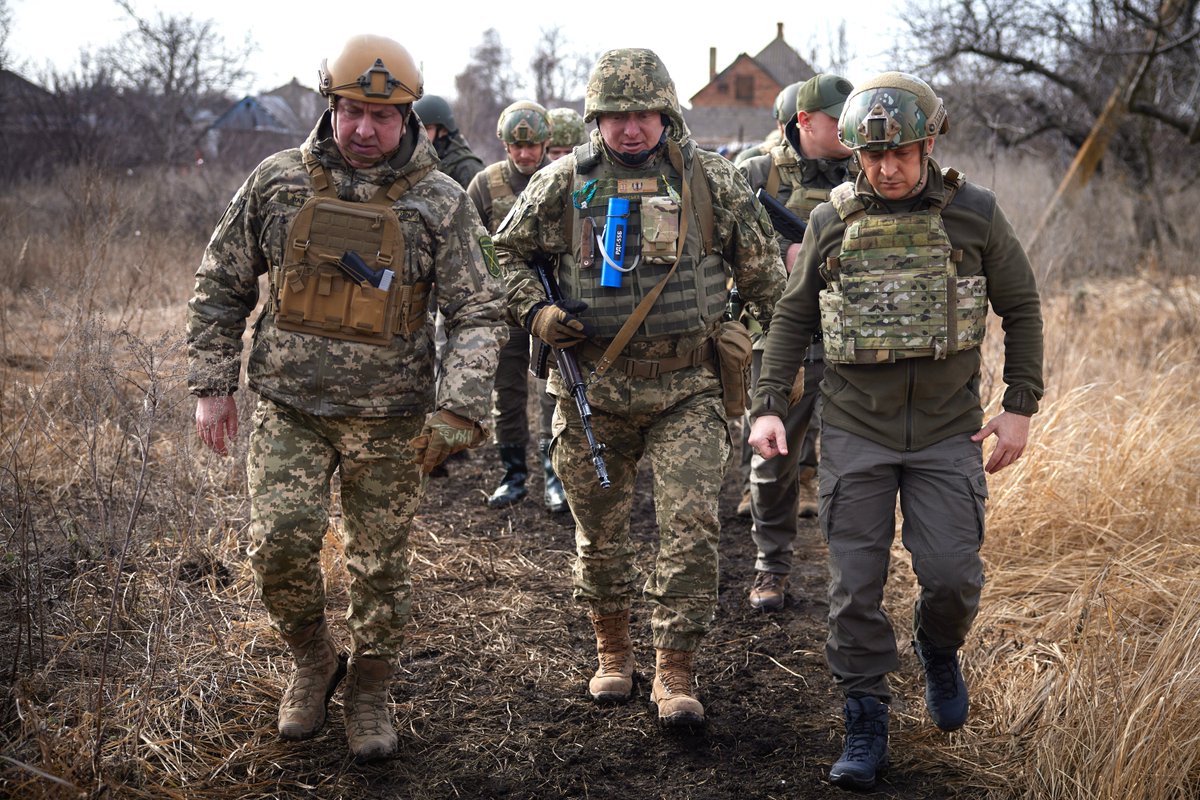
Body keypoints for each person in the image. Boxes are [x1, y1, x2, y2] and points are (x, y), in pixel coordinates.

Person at [187, 34, 505, 763]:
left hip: (391, 423)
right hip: (290, 410)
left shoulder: (440, 202)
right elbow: (221, 284)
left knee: (380, 567)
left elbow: (480, 310)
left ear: (409, 120)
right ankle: (312, 660)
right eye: (352, 111)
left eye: (382, 116)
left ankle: (370, 686)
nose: (365, 129)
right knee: (278, 548)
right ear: (329, 106)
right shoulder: (276, 184)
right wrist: (212, 385)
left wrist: (458, 408)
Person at [748, 71, 1043, 789]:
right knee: (855, 587)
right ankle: (865, 711)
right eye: (872, 157)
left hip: (947, 431)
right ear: (855, 153)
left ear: (929, 143)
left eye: (901, 154)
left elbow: (1022, 306)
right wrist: (764, 404)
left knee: (950, 577)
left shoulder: (975, 214)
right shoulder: (833, 220)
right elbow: (792, 317)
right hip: (856, 430)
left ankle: (938, 649)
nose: (886, 169)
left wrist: (1019, 405)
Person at [495, 48, 786, 727]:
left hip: (689, 386)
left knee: (688, 532)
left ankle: (676, 671)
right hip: (592, 388)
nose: (630, 129)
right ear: (596, 118)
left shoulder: (711, 181)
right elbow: (502, 255)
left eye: (643, 115)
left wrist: (764, 359)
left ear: (666, 114)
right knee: (601, 535)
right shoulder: (564, 182)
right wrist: (535, 312)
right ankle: (614, 654)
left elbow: (770, 277)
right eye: (615, 116)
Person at [736, 73, 854, 611]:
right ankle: (771, 568)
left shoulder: (867, 171)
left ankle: (853, 575)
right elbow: (715, 252)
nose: (852, 130)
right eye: (838, 119)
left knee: (854, 461)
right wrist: (776, 259)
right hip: (779, 338)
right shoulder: (757, 174)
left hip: (852, 337)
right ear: (804, 121)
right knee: (774, 461)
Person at [468, 101, 567, 513]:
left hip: (549, 308)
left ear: (547, 143)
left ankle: (554, 475)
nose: (525, 154)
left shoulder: (561, 179)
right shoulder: (485, 185)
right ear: (505, 145)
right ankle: (513, 475)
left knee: (553, 393)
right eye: (516, 146)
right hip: (502, 309)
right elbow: (468, 245)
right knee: (506, 393)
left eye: (533, 146)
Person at [413, 93, 485, 189]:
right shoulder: (418, 159)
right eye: (416, 127)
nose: (420, 133)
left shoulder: (467, 168)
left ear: (443, 130)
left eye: (426, 128)